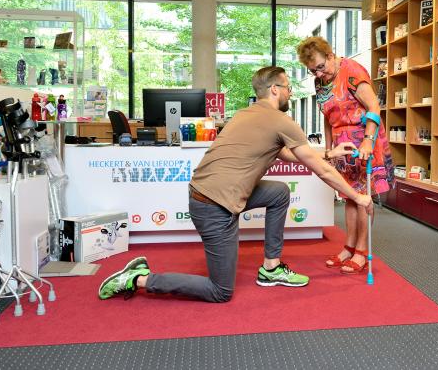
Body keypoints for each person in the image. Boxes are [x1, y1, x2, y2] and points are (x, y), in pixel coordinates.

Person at [98, 66, 373, 303]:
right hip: (213, 206)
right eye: (288, 87)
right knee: (220, 291)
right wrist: (357, 197)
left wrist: (330, 152)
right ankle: (139, 279)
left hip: (210, 195)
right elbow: (322, 171)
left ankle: (271, 267)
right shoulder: (280, 120)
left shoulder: (246, 114)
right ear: (275, 90)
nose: (291, 93)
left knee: (278, 193)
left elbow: (287, 153)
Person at [297, 36, 393, 274]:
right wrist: (329, 152)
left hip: (364, 141)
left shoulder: (352, 71)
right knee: (350, 196)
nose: (318, 74)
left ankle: (361, 252)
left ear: (330, 55)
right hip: (342, 146)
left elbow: (374, 107)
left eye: (321, 67)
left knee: (362, 197)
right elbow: (328, 119)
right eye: (312, 71)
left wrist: (369, 140)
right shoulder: (320, 83)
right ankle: (348, 248)